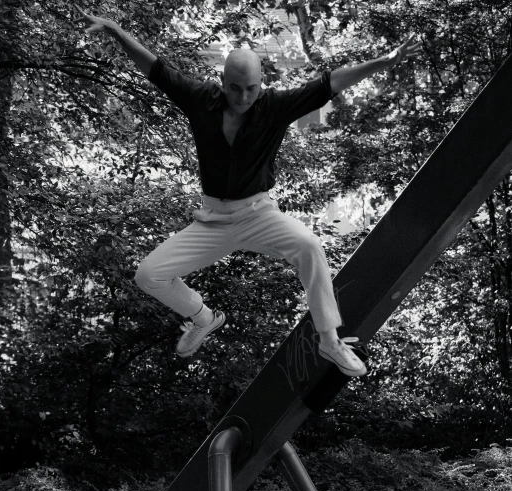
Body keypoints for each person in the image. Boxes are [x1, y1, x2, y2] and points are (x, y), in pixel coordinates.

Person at [77, 6, 420, 376]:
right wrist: (115, 30)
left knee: (309, 246)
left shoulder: (275, 107)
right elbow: (157, 70)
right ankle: (203, 317)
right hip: (213, 220)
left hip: (258, 215)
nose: (243, 97)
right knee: (148, 275)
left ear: (261, 83)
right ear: (223, 82)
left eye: (251, 89)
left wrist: (386, 61)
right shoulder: (199, 100)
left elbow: (329, 83)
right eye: (235, 88)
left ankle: (329, 339)